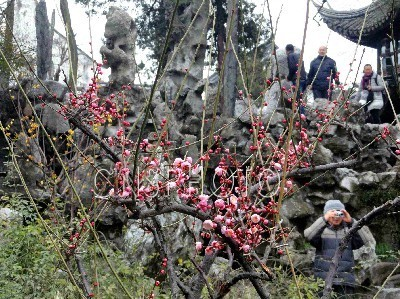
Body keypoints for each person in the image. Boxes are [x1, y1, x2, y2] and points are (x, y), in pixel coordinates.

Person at [304, 199, 374, 297]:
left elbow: (364, 240)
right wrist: (324, 219)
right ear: (326, 214)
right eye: (333, 213)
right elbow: (308, 236)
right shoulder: (321, 230)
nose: (336, 217)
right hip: (323, 282)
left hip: (345, 282)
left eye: (339, 213)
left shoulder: (349, 230)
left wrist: (352, 221)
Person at [285, 44, 307, 115]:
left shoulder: (290, 56)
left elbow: (292, 68)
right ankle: (301, 113)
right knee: (301, 97)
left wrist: (289, 77)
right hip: (303, 78)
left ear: (286, 50)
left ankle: (301, 115)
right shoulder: (298, 56)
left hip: (297, 79)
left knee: (298, 98)